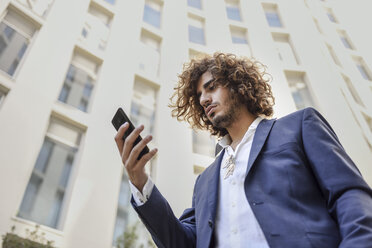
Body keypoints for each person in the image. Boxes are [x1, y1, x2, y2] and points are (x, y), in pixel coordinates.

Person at [114, 53, 372, 248]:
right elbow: (181, 242)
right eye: (200, 95)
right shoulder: (204, 182)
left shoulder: (300, 126)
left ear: (238, 86)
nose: (204, 99)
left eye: (212, 87)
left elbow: (349, 194)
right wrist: (140, 183)